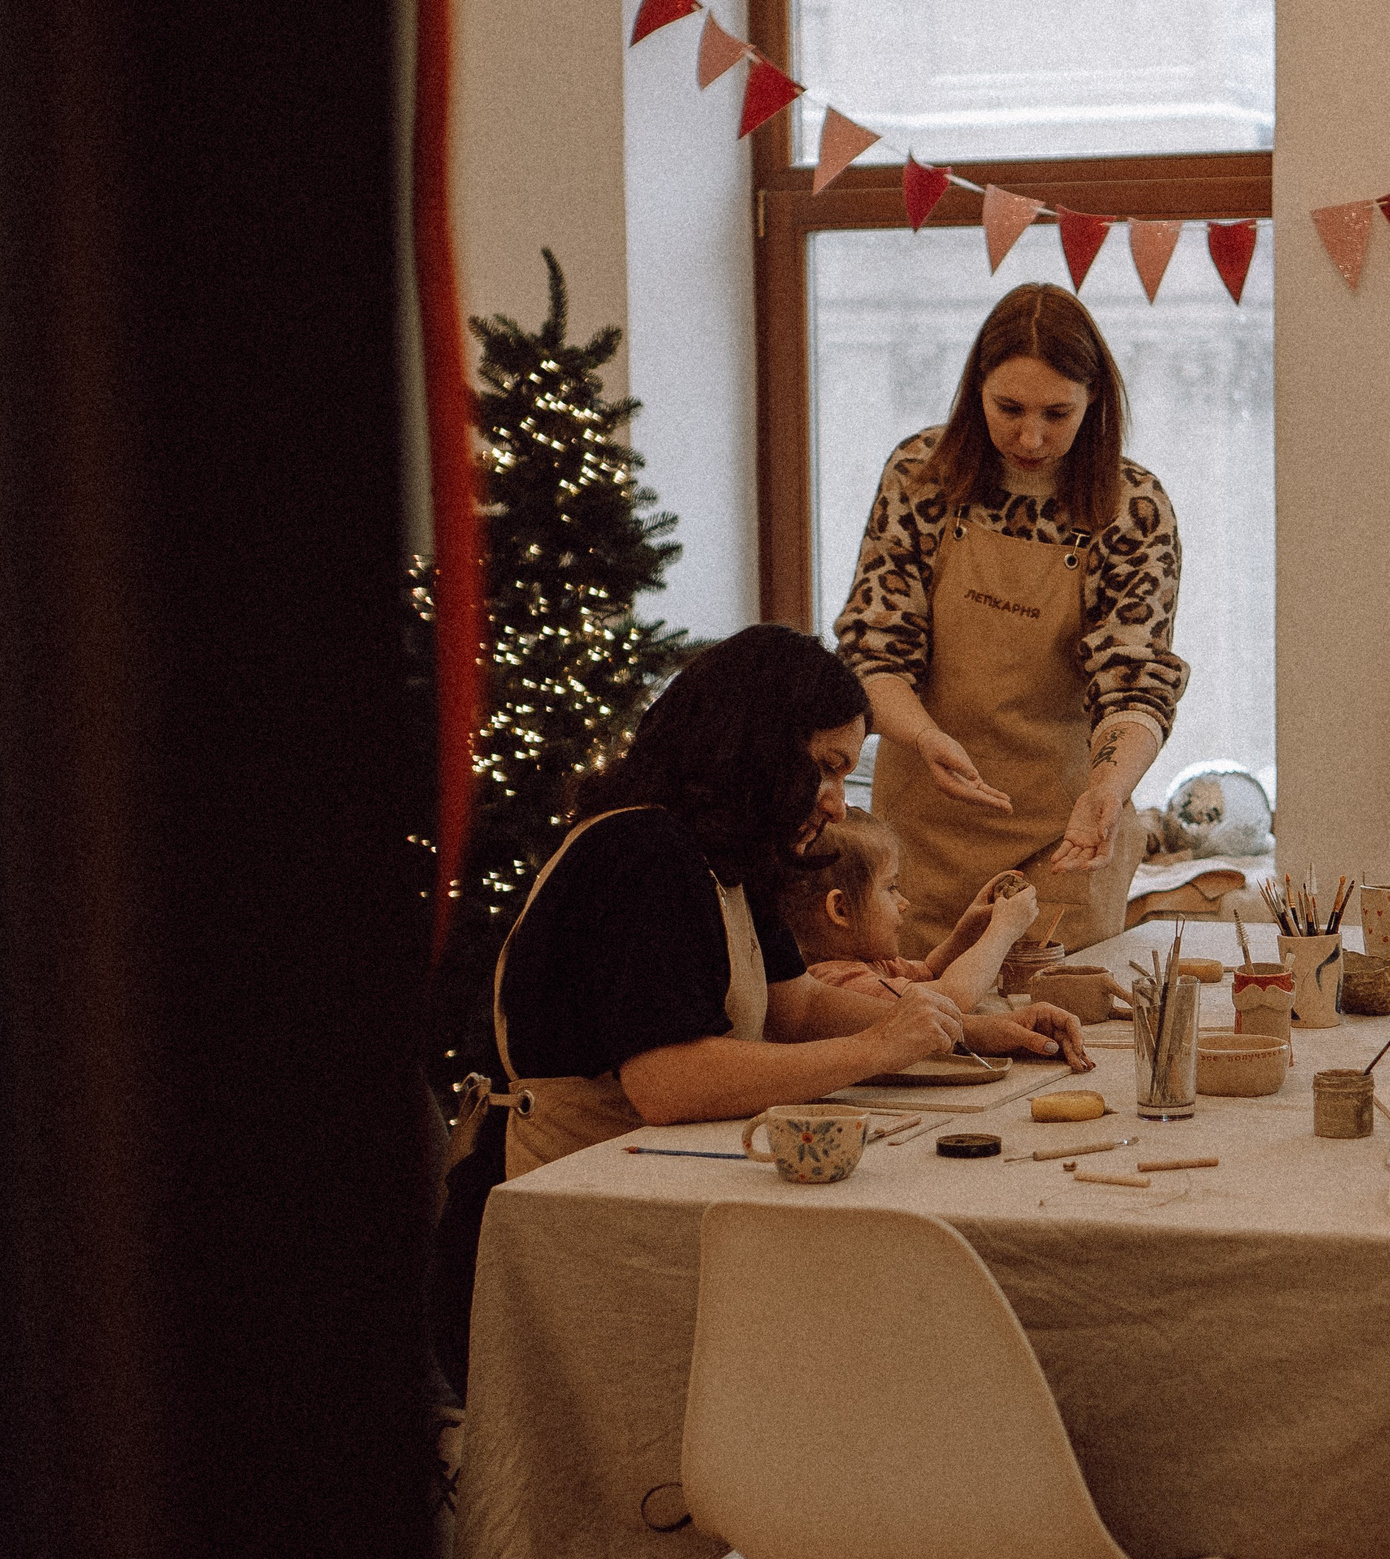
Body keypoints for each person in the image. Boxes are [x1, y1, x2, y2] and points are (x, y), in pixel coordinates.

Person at [488, 624, 1091, 1179]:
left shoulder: (727, 851)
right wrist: (877, 1047)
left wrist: (969, 1031)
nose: (835, 804)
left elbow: (796, 1008)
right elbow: (669, 1082)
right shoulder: (643, 849)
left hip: (648, 1169)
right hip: (577, 1184)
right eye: (826, 770)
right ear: (756, 747)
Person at [834, 281, 1187, 961]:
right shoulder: (921, 477)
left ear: (1095, 401)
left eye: (1058, 412)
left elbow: (1137, 682)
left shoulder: (1130, 505)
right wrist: (925, 735)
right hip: (922, 842)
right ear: (976, 394)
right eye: (1009, 408)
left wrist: (1108, 789)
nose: (1031, 436)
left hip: (1067, 842)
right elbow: (874, 652)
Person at [783, 812, 1042, 1012]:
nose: (903, 901)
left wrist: (969, 928)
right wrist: (1004, 930)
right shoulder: (840, 982)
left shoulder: (868, 962)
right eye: (891, 887)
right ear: (841, 909)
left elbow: (930, 971)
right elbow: (952, 997)